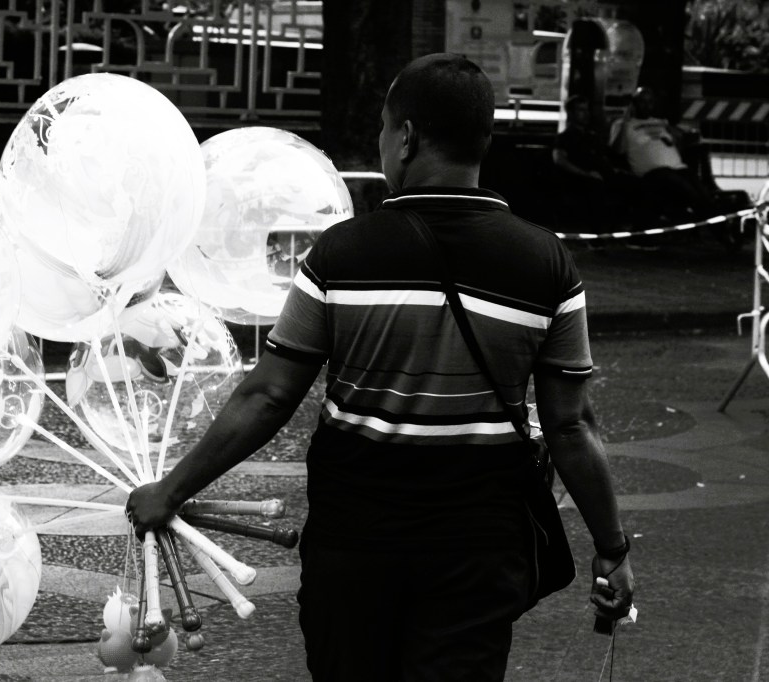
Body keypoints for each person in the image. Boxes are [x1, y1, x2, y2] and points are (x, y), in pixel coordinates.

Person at [127, 53, 634, 681]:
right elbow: (571, 425)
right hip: (478, 550)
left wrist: (170, 491)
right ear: (484, 140)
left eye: (384, 129)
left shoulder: (340, 255)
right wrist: (611, 549)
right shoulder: (547, 264)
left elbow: (269, 395)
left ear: (406, 137)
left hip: (356, 543)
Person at [608, 86, 717, 225]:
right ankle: (714, 226)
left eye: (650, 102)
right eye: (642, 101)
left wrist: (681, 134)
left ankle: (720, 228)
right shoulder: (622, 124)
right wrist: (625, 122)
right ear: (634, 104)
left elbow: (680, 138)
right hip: (654, 172)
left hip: (677, 167)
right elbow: (617, 150)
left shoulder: (659, 122)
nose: (646, 105)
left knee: (703, 194)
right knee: (691, 194)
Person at [552, 94, 636, 231]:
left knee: (633, 182)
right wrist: (586, 174)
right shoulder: (565, 137)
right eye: (581, 110)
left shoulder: (592, 136)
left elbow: (607, 154)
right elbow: (559, 160)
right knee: (596, 188)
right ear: (571, 113)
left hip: (603, 174)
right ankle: (598, 234)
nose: (586, 114)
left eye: (587, 110)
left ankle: (628, 231)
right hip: (581, 178)